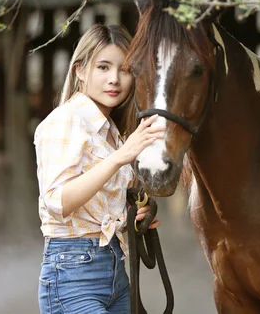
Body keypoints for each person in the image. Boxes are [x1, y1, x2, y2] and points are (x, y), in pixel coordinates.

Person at [34, 24, 164, 314]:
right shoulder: (66, 121)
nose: (114, 80)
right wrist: (120, 158)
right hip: (73, 274)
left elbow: (100, 208)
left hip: (115, 271)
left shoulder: (112, 132)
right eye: (103, 67)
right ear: (80, 70)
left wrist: (135, 217)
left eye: (125, 70)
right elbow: (57, 201)